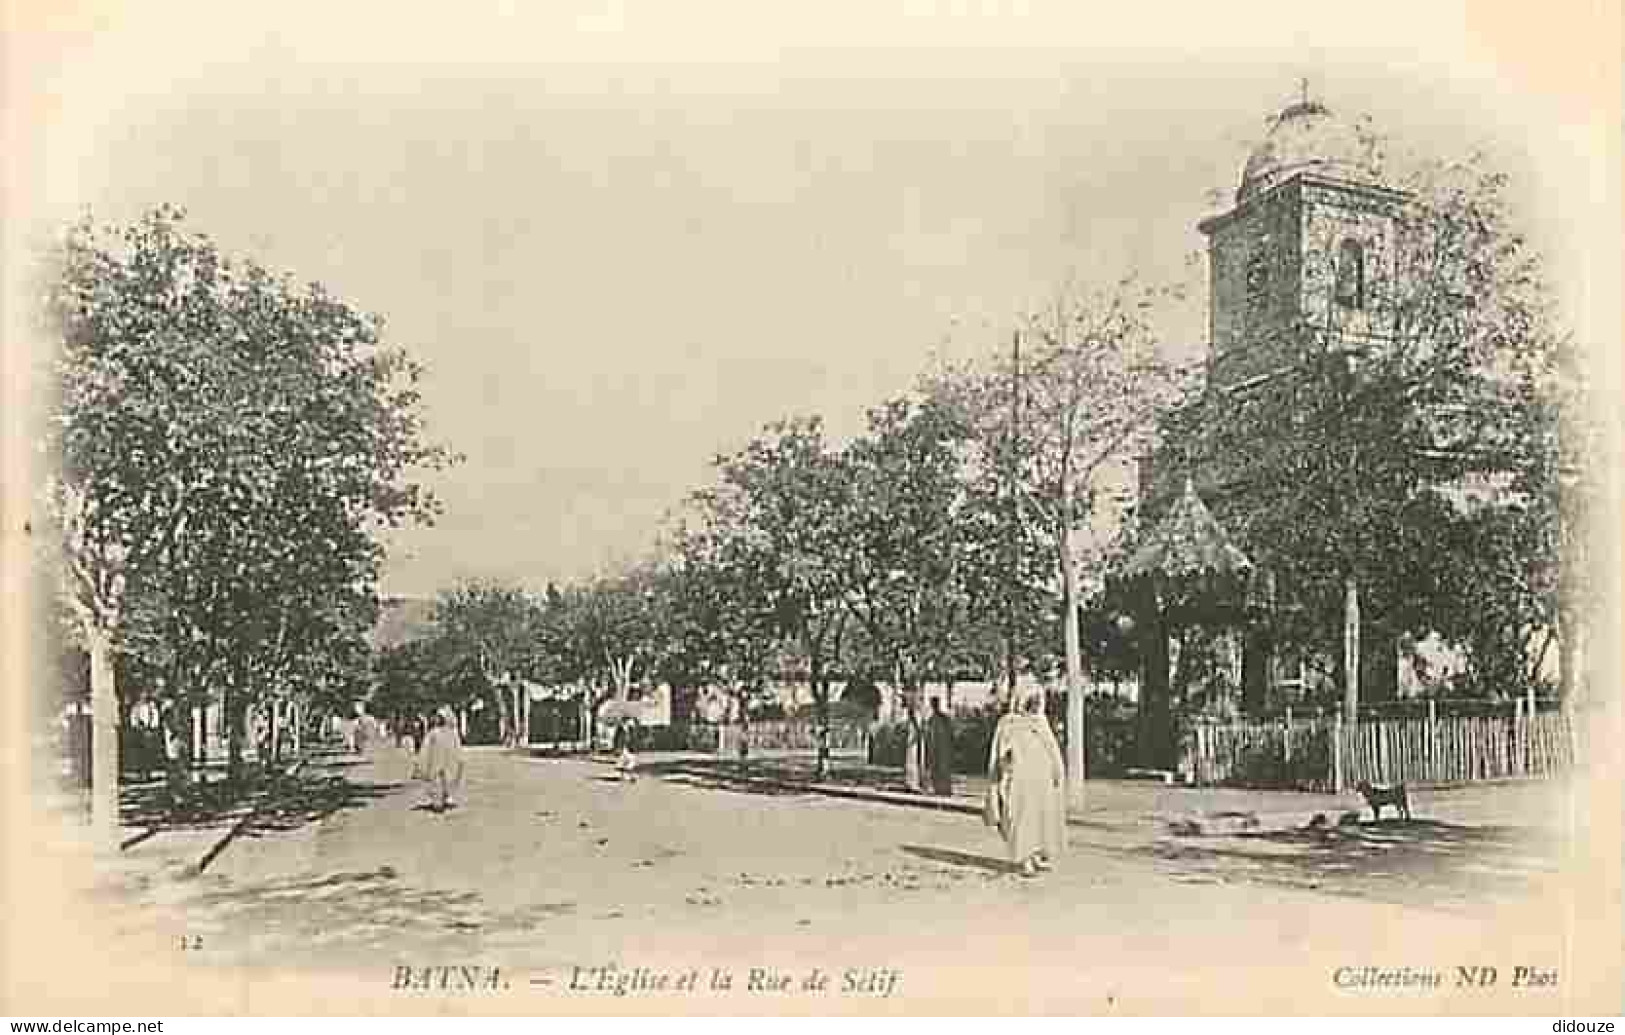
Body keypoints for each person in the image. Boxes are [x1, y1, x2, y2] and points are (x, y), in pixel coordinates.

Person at [987, 687, 1066, 877]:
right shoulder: (1008, 723)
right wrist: (1005, 761)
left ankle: (1037, 854)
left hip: (1042, 779)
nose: (1035, 704)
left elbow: (1052, 747)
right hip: (1021, 780)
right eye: (1032, 700)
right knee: (1023, 818)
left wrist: (1057, 769)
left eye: (1037, 701)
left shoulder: (1041, 721)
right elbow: (1002, 750)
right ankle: (1024, 860)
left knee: (1041, 817)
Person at [416, 706, 465, 812]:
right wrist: (422, 760)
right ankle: (437, 801)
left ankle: (444, 797)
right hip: (435, 760)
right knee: (436, 781)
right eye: (437, 717)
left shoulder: (452, 733)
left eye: (440, 717)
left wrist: (459, 759)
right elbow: (426, 747)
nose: (437, 719)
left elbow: (457, 747)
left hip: (449, 761)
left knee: (448, 780)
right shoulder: (433, 732)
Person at [926, 697, 954, 796]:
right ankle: (937, 788)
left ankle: (945, 789)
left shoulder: (944, 718)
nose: (934, 706)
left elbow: (950, 733)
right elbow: (928, 734)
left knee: (943, 768)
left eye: (935, 703)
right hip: (934, 747)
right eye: (932, 704)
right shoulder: (931, 719)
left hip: (943, 747)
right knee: (935, 768)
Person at [613, 718, 639, 782]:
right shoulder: (620, 728)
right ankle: (625, 775)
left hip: (629, 747)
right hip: (622, 747)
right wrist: (616, 748)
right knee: (626, 761)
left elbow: (634, 738)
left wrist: (635, 747)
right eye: (630, 722)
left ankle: (625, 774)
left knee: (630, 761)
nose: (631, 723)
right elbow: (616, 738)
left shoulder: (632, 729)